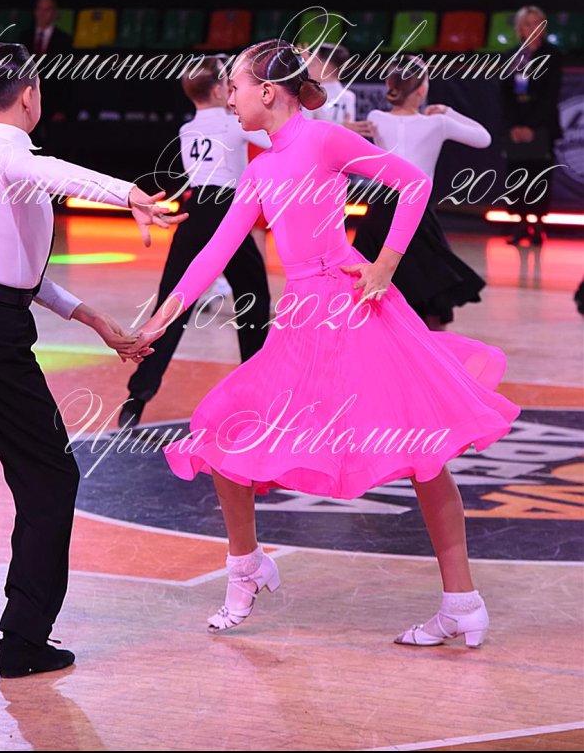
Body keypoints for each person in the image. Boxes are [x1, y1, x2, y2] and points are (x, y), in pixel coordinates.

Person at [125, 39, 521, 648]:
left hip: (355, 307)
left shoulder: (323, 139)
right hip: (302, 320)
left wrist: (385, 265)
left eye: (236, 86)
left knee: (422, 448)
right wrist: (159, 319)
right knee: (222, 425)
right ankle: (246, 566)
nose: (229, 98)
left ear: (267, 91)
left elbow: (413, 185)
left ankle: (462, 602)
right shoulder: (260, 169)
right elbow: (213, 253)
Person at [0, 43, 187, 678]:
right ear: (30, 94)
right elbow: (59, 175)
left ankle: (25, 637)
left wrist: (93, 320)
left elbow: (13, 270)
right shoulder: (13, 159)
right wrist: (129, 193)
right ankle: (23, 642)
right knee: (50, 478)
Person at [119, 55, 271, 428]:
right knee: (254, 300)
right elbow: (274, 137)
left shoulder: (187, 128)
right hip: (228, 212)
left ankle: (136, 398)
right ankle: (259, 393)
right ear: (220, 89)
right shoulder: (233, 122)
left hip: (195, 212)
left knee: (172, 303)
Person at [348, 57, 491, 330]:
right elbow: (484, 138)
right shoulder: (438, 123)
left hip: (381, 210)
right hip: (416, 211)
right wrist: (448, 111)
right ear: (422, 89)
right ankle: (429, 352)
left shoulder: (376, 117)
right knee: (431, 291)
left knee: (376, 290)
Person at [498, 6, 563, 246]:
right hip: (515, 127)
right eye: (528, 23)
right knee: (517, 174)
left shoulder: (552, 55)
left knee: (539, 175)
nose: (533, 28)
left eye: (537, 23)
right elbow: (505, 95)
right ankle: (521, 223)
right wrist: (514, 125)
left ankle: (538, 225)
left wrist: (532, 126)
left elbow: (550, 94)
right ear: (520, 28)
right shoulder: (511, 56)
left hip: (542, 126)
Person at [22, 0, 74, 122]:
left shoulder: (64, 40)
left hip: (53, 105)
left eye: (47, 9)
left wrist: (62, 109)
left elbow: (67, 78)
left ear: (55, 13)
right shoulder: (24, 37)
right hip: (27, 104)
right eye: (39, 9)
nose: (42, 13)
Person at [298, 41, 357, 124]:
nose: (309, 68)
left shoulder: (312, 95)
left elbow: (304, 128)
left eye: (312, 63)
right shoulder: (349, 97)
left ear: (326, 68)